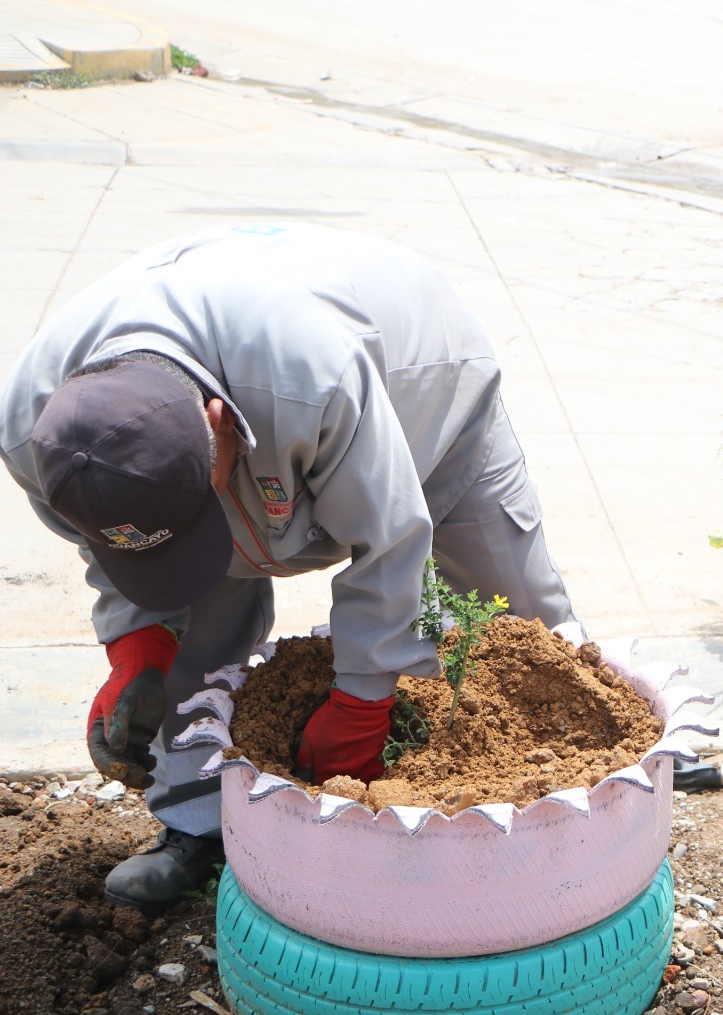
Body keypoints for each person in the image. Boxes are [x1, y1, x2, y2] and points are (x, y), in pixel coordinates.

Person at [0, 223, 580, 915]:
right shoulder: (38, 434)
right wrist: (137, 647)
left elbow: (390, 538)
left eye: (194, 512)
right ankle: (198, 821)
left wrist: (363, 703)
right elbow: (108, 544)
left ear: (215, 423)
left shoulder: (312, 375)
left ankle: (579, 809)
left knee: (518, 622)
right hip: (247, 418)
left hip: (419, 389)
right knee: (197, 629)